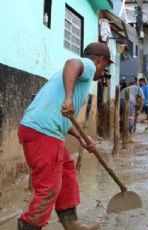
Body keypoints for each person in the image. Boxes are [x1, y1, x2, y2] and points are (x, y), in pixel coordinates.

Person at [18, 42, 112, 230]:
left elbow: (64, 119)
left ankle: (71, 222)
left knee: (67, 170)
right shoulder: (87, 64)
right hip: (43, 132)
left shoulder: (78, 81)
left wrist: (83, 139)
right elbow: (71, 63)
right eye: (105, 67)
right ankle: (29, 225)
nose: (103, 72)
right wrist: (69, 98)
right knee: (49, 187)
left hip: (43, 129)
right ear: (99, 60)